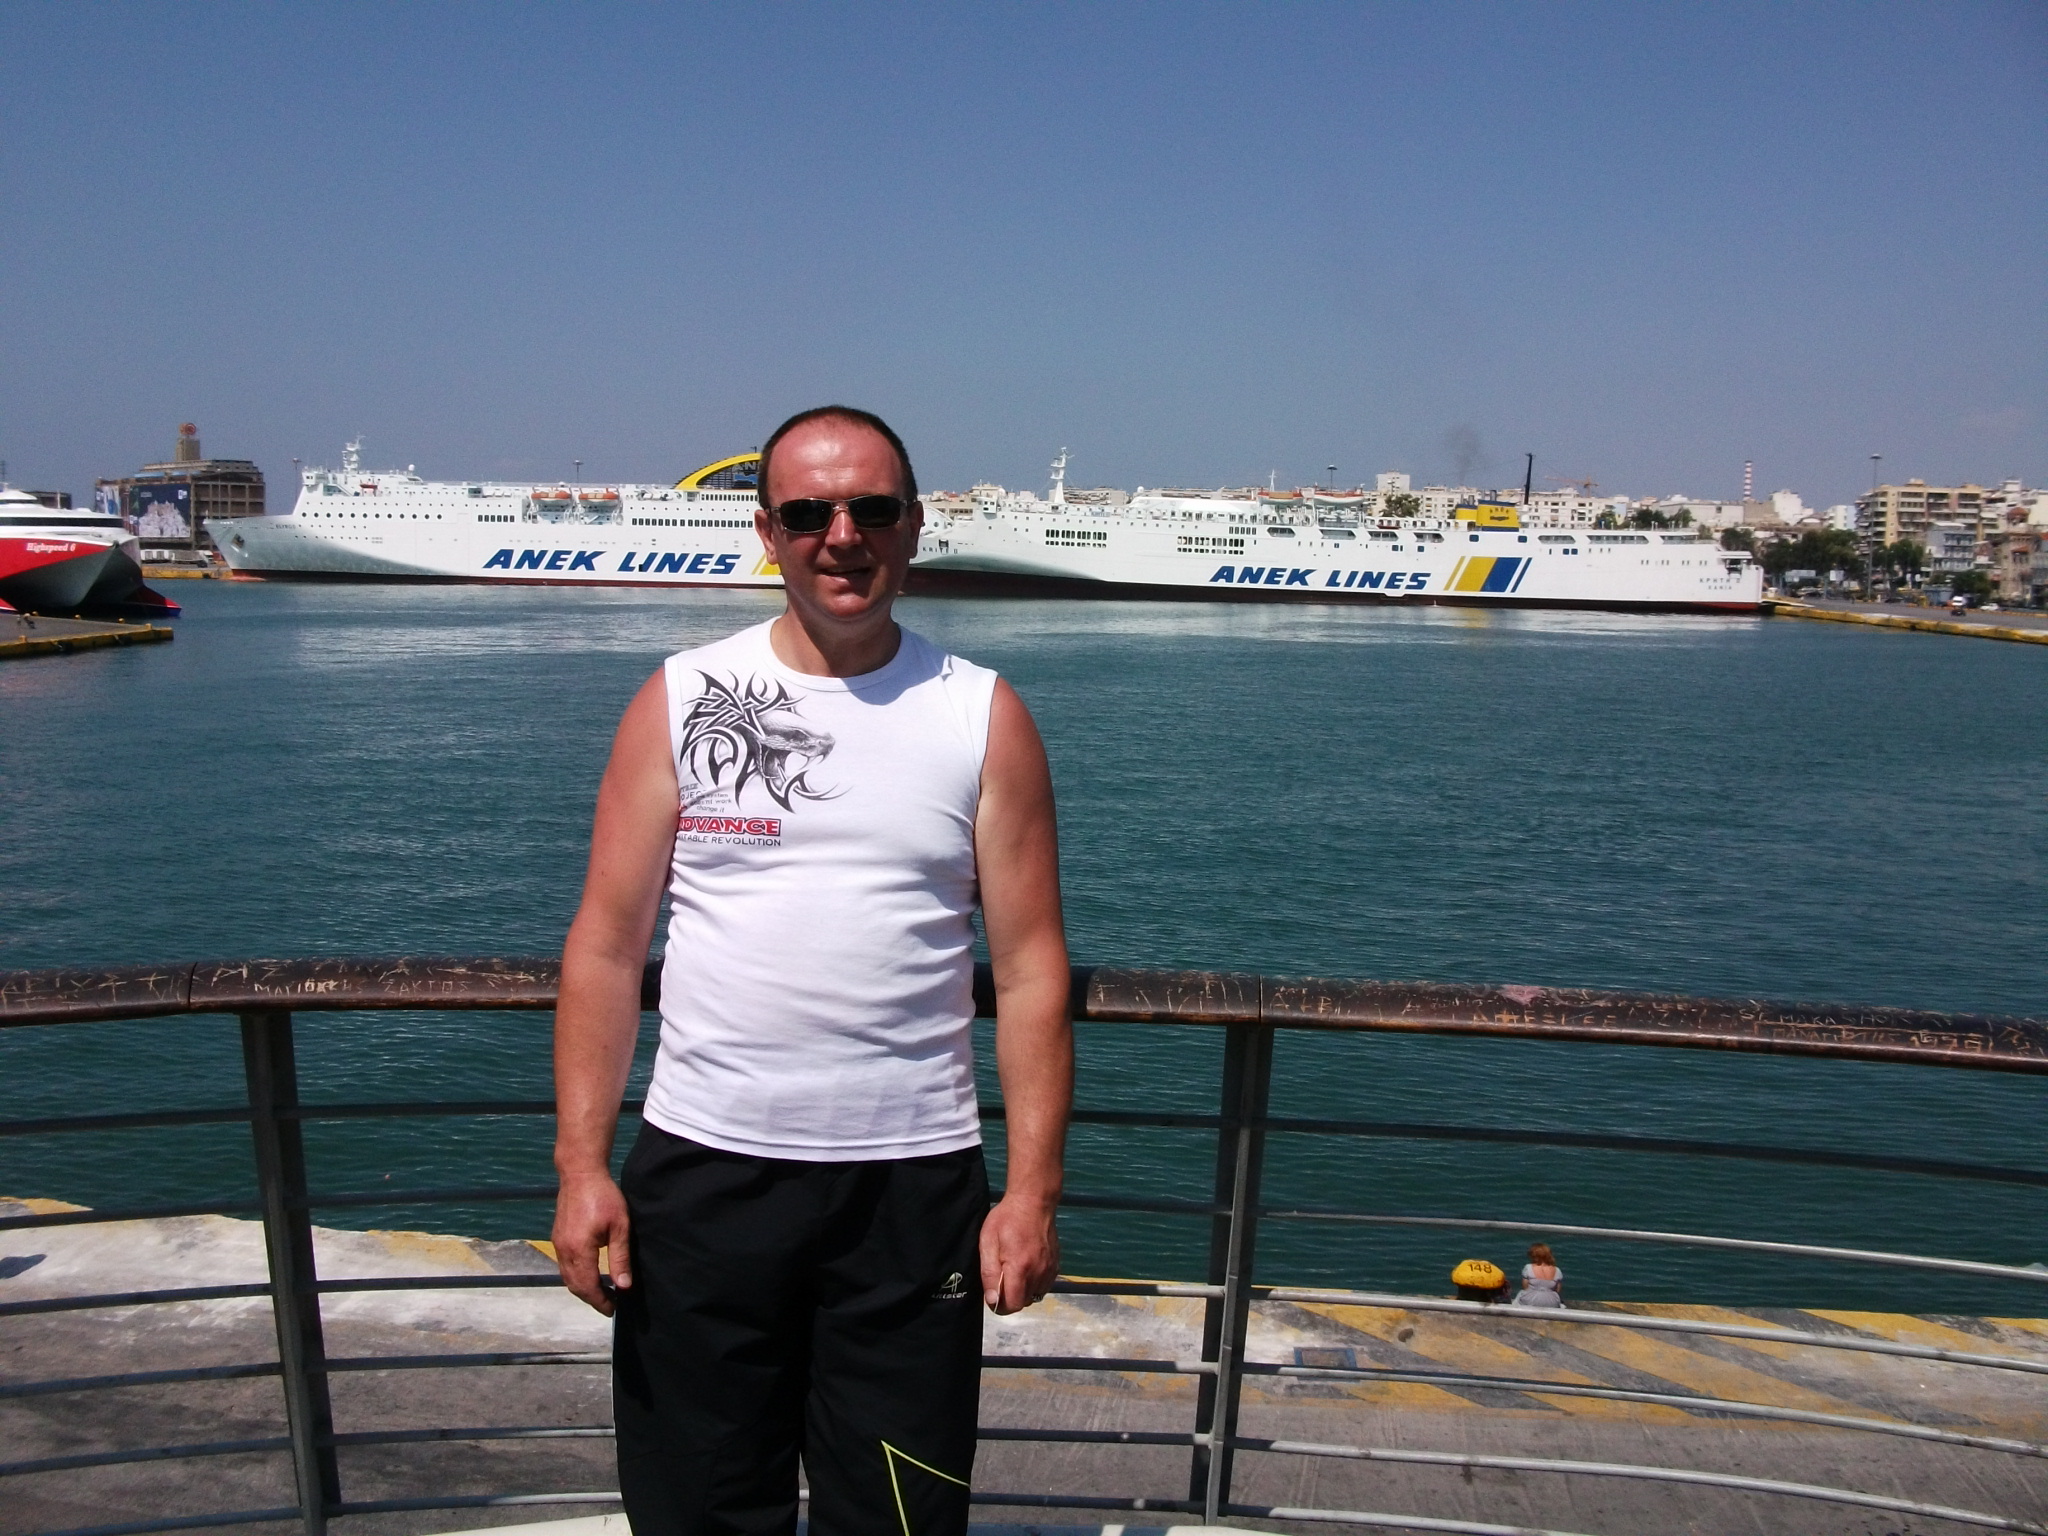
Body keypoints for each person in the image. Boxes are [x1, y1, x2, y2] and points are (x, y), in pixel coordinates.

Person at [550, 405, 1074, 1536]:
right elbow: (605, 945)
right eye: (808, 513)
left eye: (872, 509)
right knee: (696, 1515)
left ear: (914, 526)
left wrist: (1030, 1194)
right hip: (704, 1181)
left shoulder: (982, 717)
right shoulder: (681, 699)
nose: (842, 536)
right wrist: (580, 1168)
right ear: (767, 531)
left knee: (897, 1519)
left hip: (912, 1195)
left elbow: (1032, 971)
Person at [1515, 1242, 1564, 1308]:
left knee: (1520, 1294)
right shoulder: (1557, 1270)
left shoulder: (1528, 1268)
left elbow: (1525, 1287)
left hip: (1530, 1300)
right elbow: (1557, 1290)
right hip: (1552, 1302)